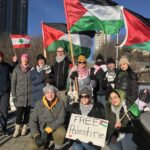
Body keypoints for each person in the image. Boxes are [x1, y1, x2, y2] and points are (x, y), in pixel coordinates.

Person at [29, 84, 66, 150]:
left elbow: (61, 119)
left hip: (55, 129)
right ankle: (45, 145)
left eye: (52, 92)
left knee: (61, 132)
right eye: (47, 92)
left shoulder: (61, 103)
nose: (50, 95)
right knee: (33, 147)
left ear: (55, 93)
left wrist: (48, 130)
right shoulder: (38, 104)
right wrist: (36, 134)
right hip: (41, 130)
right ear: (44, 94)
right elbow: (32, 120)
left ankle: (57, 147)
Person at [11, 53, 32, 137]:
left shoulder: (31, 69)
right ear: (21, 60)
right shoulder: (16, 70)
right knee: (19, 114)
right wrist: (14, 95)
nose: (25, 60)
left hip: (29, 96)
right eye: (24, 59)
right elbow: (13, 83)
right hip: (19, 96)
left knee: (27, 113)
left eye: (26, 59)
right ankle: (17, 129)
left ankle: (24, 127)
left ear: (28, 60)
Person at [0, 51, 17, 135]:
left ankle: (4, 129)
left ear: (2, 57)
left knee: (4, 112)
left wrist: (15, 62)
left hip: (5, 92)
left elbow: (14, 70)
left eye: (0, 57)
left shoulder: (6, 65)